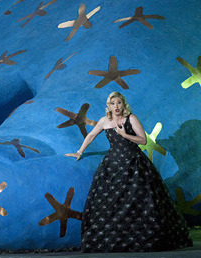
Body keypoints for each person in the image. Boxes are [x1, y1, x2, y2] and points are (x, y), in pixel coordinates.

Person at [65, 92, 193, 252]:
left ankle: (143, 238)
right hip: (113, 165)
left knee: (141, 201)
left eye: (119, 103)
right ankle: (113, 239)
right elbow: (91, 135)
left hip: (134, 165)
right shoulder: (104, 121)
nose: (116, 106)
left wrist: (124, 134)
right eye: (113, 103)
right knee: (110, 202)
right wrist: (79, 151)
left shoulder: (131, 118)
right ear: (109, 106)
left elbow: (143, 140)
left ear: (123, 104)